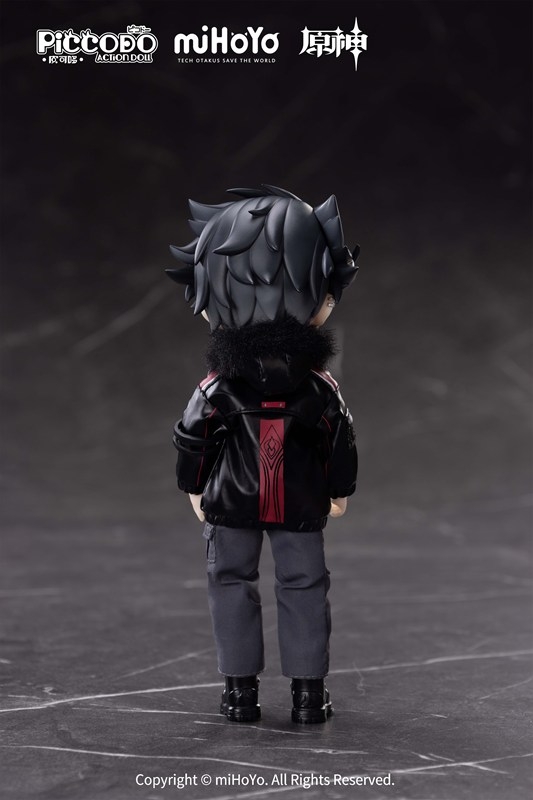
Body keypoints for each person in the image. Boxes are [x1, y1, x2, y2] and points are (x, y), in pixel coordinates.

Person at [166, 185, 359, 724]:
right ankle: (308, 694)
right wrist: (339, 488)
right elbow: (339, 438)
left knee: (230, 584)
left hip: (231, 502)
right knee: (305, 587)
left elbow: (193, 436)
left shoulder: (219, 385)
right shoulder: (318, 387)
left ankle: (239, 693)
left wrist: (194, 485)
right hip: (300, 502)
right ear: (319, 297)